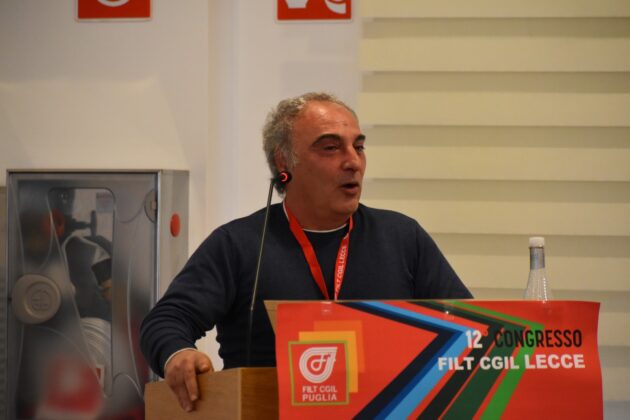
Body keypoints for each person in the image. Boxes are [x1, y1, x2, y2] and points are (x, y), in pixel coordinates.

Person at [139, 92, 472, 412]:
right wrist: (178, 354)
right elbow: (166, 320)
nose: (353, 162)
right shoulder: (239, 244)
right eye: (331, 148)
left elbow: (472, 329)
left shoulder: (401, 237)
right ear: (284, 162)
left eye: (358, 147)